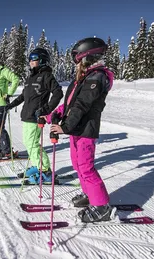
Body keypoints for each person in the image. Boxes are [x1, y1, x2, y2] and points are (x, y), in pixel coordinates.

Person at [47, 37, 114, 223]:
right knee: (78, 166)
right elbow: (71, 104)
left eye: (79, 61)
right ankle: (90, 195)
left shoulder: (96, 77)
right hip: (76, 129)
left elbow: (82, 105)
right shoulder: (83, 78)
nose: (77, 65)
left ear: (87, 57)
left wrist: (65, 127)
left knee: (86, 167)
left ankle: (102, 207)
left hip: (85, 129)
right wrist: (58, 112)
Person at [6, 48, 63, 182]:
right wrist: (11, 105)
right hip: (27, 116)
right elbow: (23, 96)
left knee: (32, 144)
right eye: (30, 58)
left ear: (42, 60)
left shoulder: (46, 76)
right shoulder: (30, 77)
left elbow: (58, 93)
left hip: (36, 116)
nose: (31, 61)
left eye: (34, 58)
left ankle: (45, 171)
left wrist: (46, 109)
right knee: (28, 143)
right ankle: (37, 166)